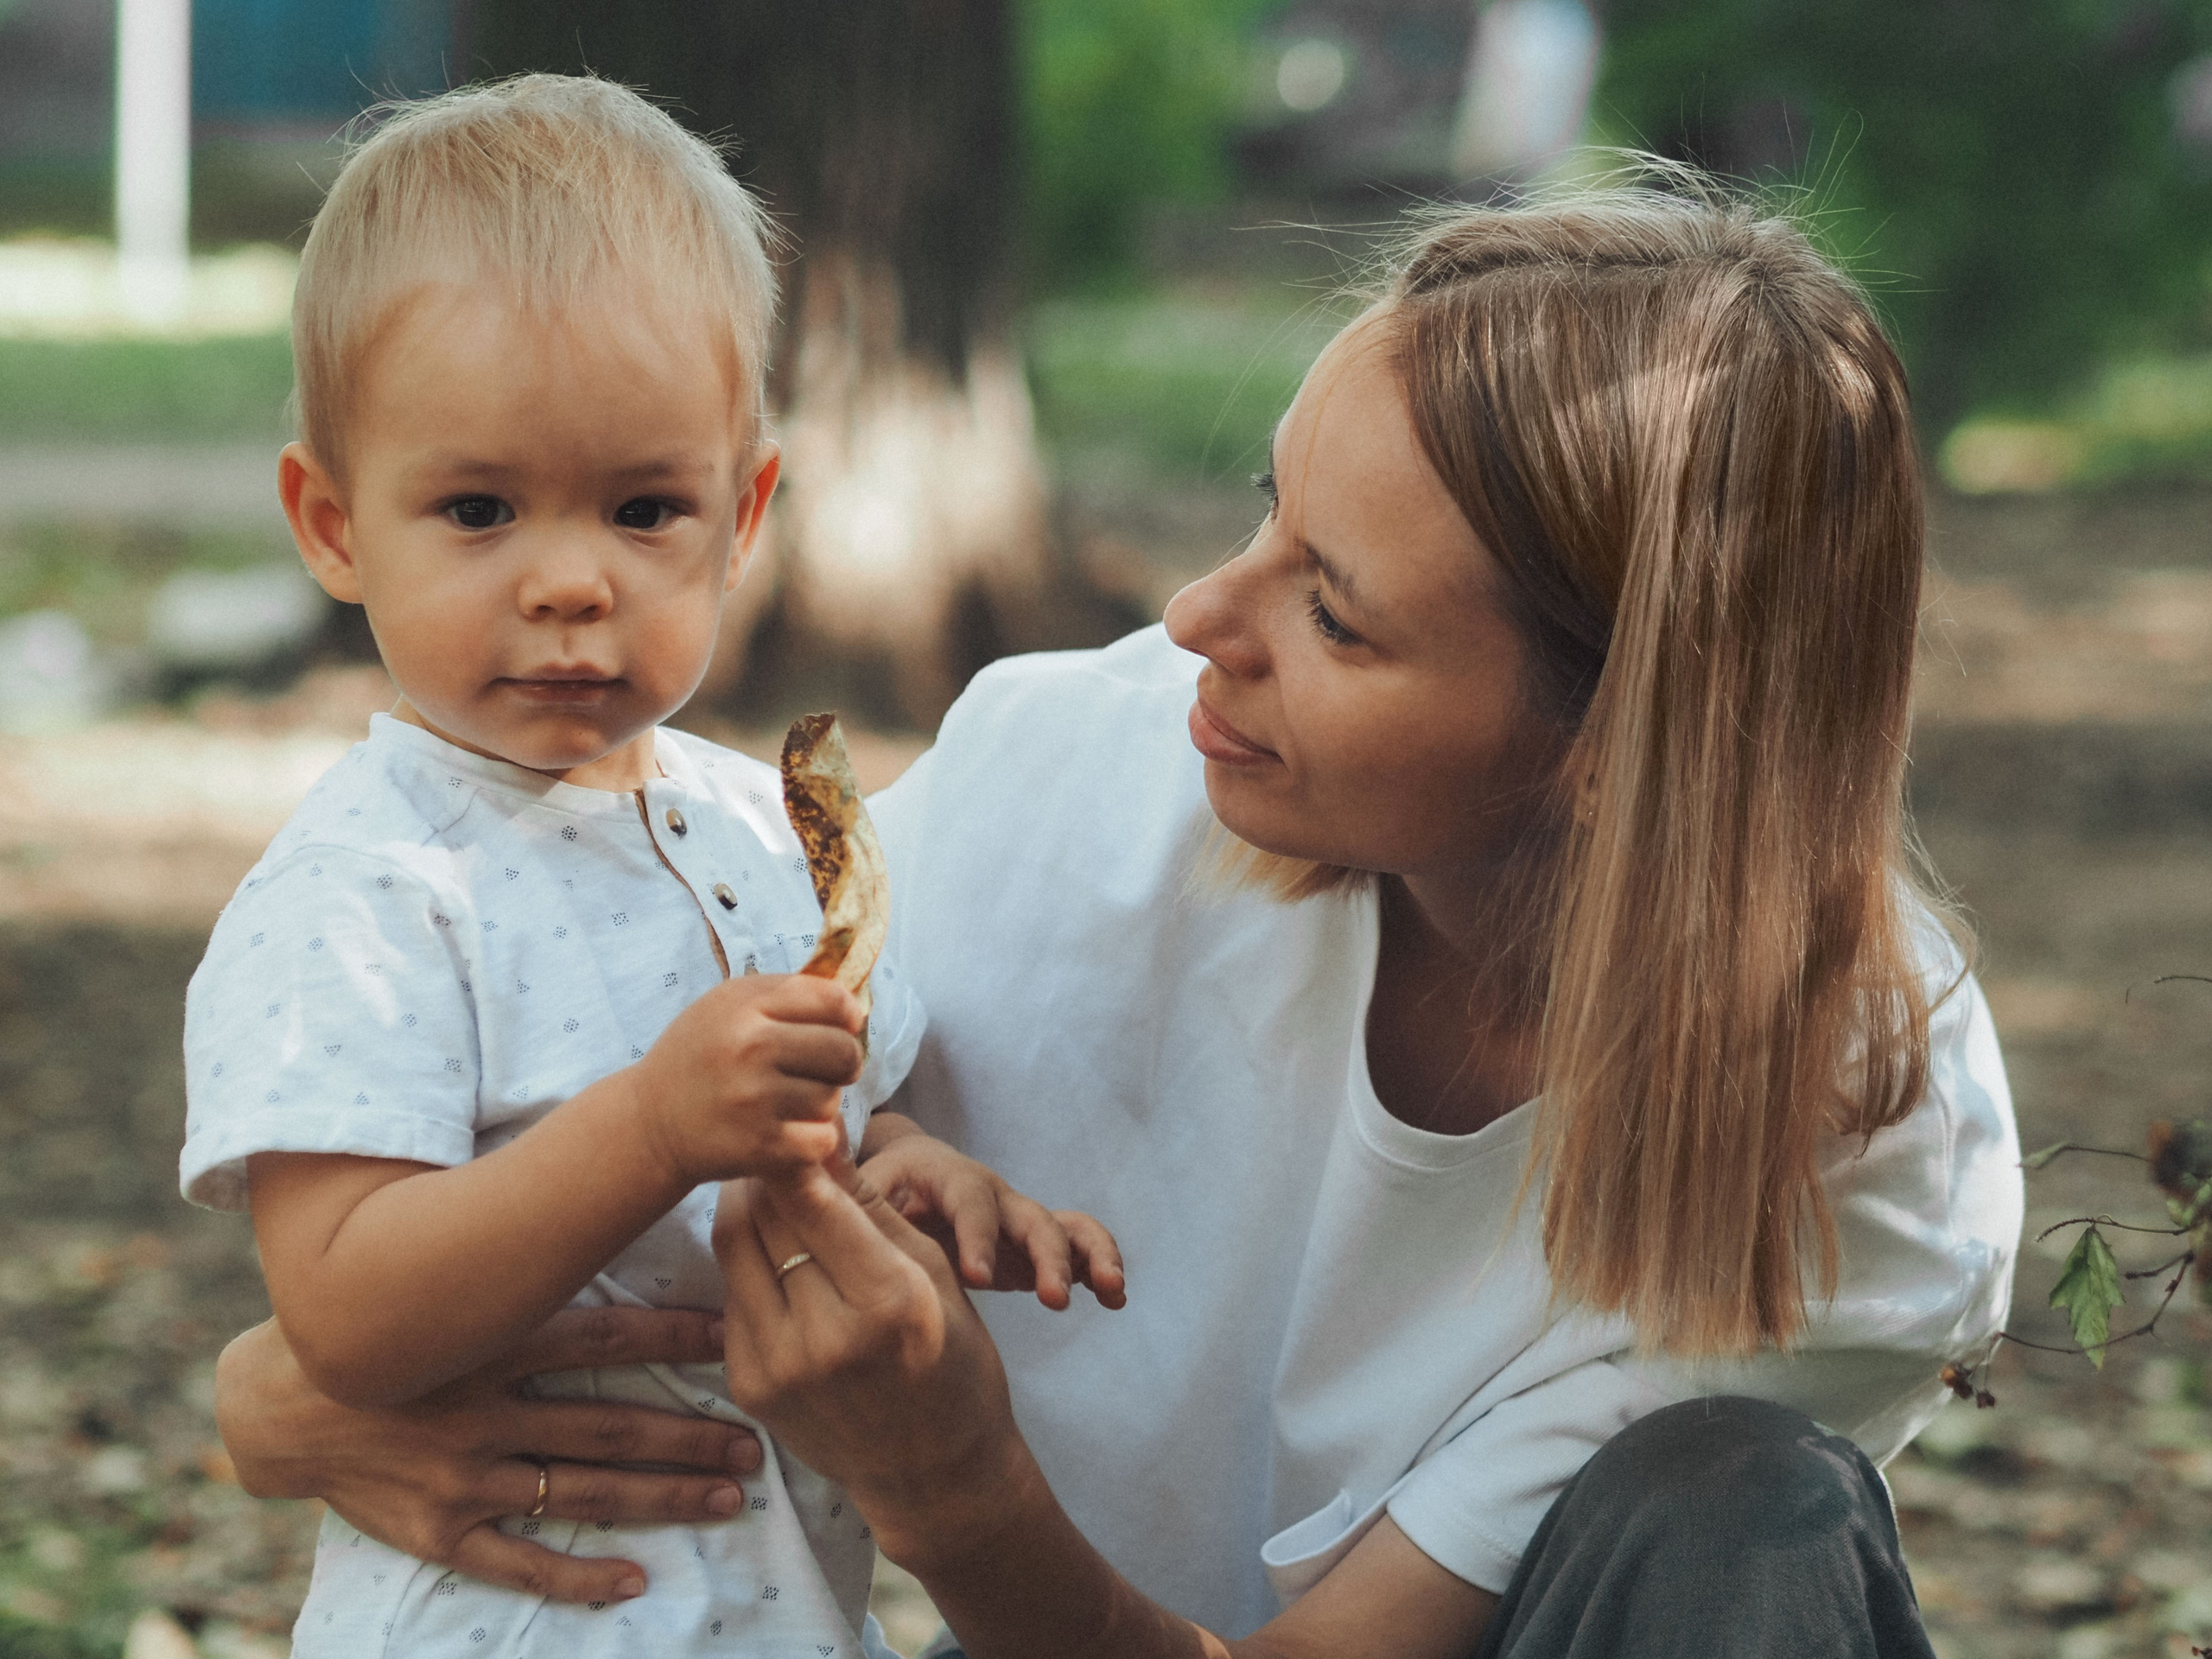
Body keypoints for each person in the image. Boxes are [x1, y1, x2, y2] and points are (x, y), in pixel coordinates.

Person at [213, 179, 2022, 1657]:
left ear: (1612, 749)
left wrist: (957, 1494)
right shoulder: (1066, 784)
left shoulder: (1855, 1130)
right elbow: (597, 1108)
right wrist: (285, 1386)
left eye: (1336, 615)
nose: (1189, 619)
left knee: (1744, 1517)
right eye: (1263, 516)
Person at [180, 75, 1119, 1659]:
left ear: (743, 512)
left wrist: (920, 1178)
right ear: (333, 526)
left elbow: (822, 1130)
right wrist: (649, 1125)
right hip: (512, 1619)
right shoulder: (371, 890)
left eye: (643, 508)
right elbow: (339, 1311)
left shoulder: (768, 834)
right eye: (477, 509)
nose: (568, 582)